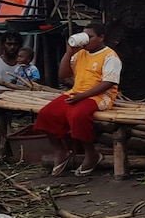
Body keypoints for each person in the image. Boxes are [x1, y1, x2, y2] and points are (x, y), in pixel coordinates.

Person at [34, 22, 122, 177]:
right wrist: (68, 53)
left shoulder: (110, 56)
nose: (86, 40)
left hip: (100, 97)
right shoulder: (80, 53)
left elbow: (109, 83)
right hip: (76, 93)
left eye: (90, 37)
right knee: (46, 114)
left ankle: (91, 154)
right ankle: (61, 151)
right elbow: (63, 75)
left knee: (78, 116)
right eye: (85, 36)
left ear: (101, 38)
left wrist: (83, 96)